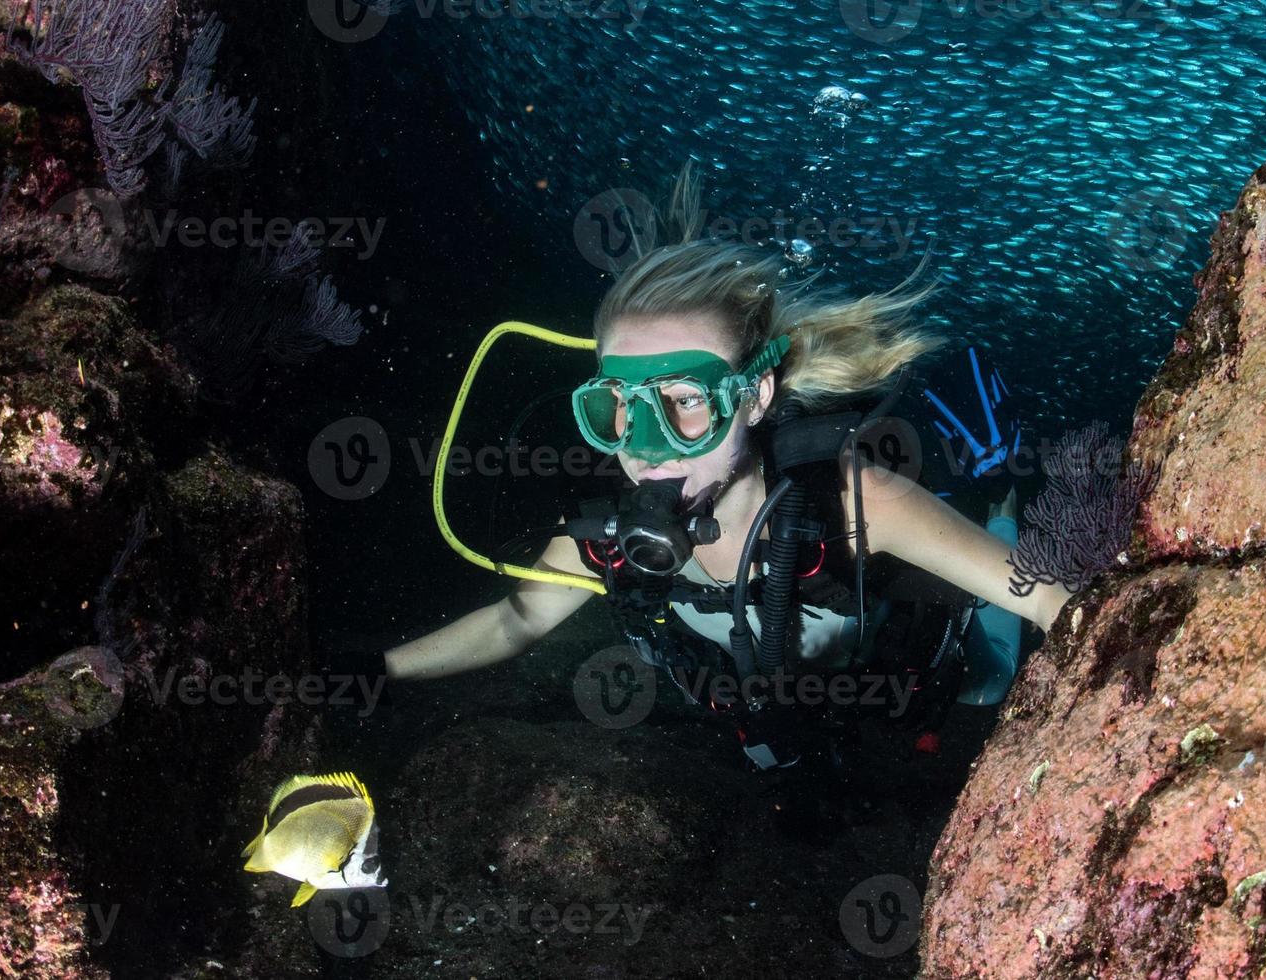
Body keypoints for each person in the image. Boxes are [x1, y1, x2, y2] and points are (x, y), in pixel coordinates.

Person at [385, 168, 1075, 769]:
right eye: (621, 406)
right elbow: (517, 621)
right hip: (783, 712)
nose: (647, 445)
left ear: (753, 396)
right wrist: (373, 672)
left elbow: (1050, 600)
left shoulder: (855, 503)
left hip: (909, 671)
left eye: (686, 402)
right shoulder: (606, 536)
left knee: (987, 680)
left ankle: (1003, 513)